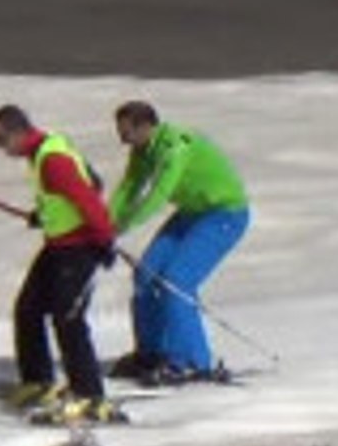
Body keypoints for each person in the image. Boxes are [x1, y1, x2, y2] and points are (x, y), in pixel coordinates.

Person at [0, 105, 122, 423]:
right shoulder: (44, 151)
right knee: (28, 308)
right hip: (58, 245)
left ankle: (91, 398)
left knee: (68, 320)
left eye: (0, 139)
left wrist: (103, 241)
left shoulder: (52, 160)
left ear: (19, 133)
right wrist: (45, 215)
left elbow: (89, 199)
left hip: (80, 247)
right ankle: (38, 382)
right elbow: (93, 180)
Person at [107, 100, 250, 385]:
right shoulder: (142, 149)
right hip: (192, 213)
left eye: (126, 133)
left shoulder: (175, 146)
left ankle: (193, 362)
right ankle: (152, 353)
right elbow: (129, 188)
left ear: (145, 126)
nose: (122, 140)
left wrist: (120, 227)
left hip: (223, 214)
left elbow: (158, 194)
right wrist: (104, 223)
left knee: (176, 282)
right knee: (145, 274)